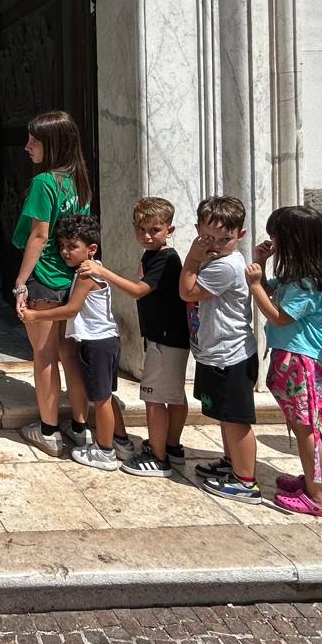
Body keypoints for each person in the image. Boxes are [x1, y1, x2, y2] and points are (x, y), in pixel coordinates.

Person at [84, 197, 191, 477]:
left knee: (155, 399)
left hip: (165, 339)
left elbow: (137, 290)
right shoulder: (153, 256)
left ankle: (158, 457)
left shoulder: (166, 258)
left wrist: (102, 271)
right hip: (168, 336)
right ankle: (171, 447)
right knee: (174, 396)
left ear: (169, 229)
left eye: (154, 230)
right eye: (141, 229)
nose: (146, 235)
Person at [246, 206, 322, 519]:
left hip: (304, 363)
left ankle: (320, 498)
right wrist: (261, 264)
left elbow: (279, 316)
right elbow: (274, 290)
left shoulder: (308, 284)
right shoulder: (295, 277)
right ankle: (312, 480)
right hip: (292, 360)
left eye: (277, 235)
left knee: (307, 430)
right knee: (301, 427)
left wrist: (256, 284)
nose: (272, 239)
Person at [10, 110, 92, 456]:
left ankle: (48, 430)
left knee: (44, 357)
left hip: (44, 278)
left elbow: (40, 235)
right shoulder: (78, 180)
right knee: (69, 355)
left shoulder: (45, 183)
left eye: (34, 141)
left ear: (52, 145)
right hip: (70, 278)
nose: (27, 146)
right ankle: (81, 427)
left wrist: (20, 282)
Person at [181, 196, 261, 503]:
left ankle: (246, 481)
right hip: (217, 352)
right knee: (225, 416)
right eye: (208, 238)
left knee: (237, 420)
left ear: (239, 235)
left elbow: (186, 290)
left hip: (232, 354)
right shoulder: (216, 261)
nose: (215, 244)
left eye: (225, 239)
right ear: (199, 229)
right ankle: (232, 464)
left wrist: (192, 257)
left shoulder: (226, 266)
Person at [38, 216, 122, 471]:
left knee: (102, 398)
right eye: (62, 245)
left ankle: (105, 451)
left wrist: (36, 315)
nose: (65, 251)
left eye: (72, 246)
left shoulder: (86, 274)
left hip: (97, 344)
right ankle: (121, 441)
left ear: (91, 248)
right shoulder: (91, 269)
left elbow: (70, 310)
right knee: (105, 395)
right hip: (103, 342)